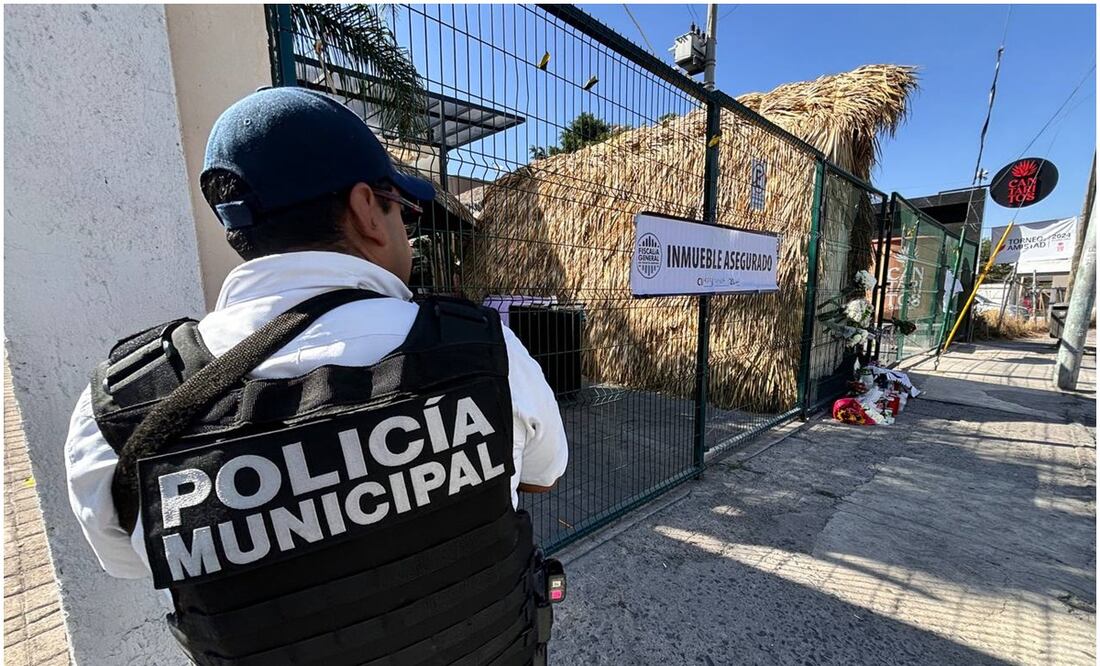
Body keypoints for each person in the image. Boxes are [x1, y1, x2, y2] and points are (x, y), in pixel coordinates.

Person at [64, 87, 569, 665]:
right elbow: (542, 475)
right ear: (363, 210)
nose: (406, 231)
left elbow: (131, 560)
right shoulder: (486, 348)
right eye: (399, 210)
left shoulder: (125, 406)